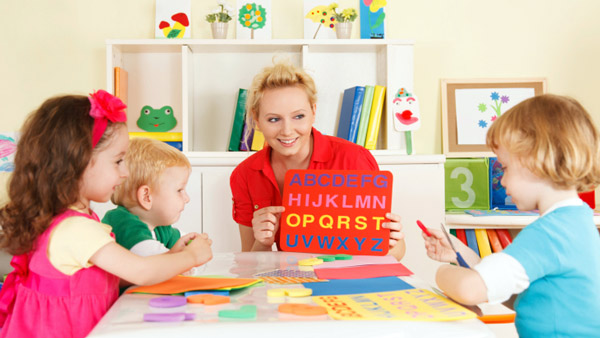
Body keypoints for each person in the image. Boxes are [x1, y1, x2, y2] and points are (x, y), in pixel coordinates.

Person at [0, 90, 213, 338]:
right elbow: (141, 272)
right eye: (118, 161)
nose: (124, 174)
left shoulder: (72, 220)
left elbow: (108, 279)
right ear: (79, 163)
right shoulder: (75, 229)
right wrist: (190, 256)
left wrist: (170, 258)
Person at [422, 94, 600, 337]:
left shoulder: (549, 234)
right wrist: (460, 254)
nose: (502, 181)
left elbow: (468, 289)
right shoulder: (576, 220)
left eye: (504, 168)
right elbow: (523, 294)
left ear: (537, 161)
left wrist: (440, 274)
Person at [230, 60, 405, 259]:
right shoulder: (245, 174)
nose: (287, 131)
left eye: (298, 116)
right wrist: (263, 242)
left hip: (346, 281)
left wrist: (392, 242)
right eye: (273, 119)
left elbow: (395, 253)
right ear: (257, 120)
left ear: (313, 112)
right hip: (290, 281)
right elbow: (249, 262)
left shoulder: (354, 160)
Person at [102, 137, 195, 258]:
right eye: (179, 190)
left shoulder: (159, 226)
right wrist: (188, 258)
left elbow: (182, 241)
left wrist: (195, 242)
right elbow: (152, 260)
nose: (187, 198)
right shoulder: (122, 221)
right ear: (146, 197)